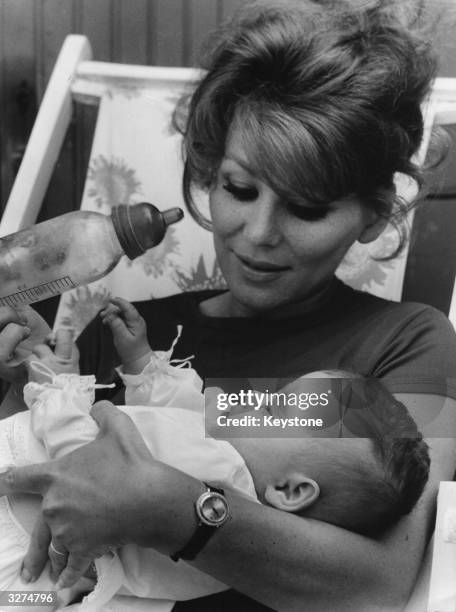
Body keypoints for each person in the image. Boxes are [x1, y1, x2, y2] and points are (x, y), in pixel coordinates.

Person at [0, 1, 456, 610]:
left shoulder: (405, 343)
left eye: (309, 208)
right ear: (210, 175)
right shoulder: (124, 330)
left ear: (372, 215)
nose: (258, 232)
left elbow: (379, 583)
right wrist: (15, 376)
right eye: (239, 189)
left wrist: (175, 509)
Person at [0, 299, 430, 611]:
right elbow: (177, 416)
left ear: (289, 489)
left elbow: (92, 472)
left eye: (272, 408)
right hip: (38, 559)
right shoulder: (224, 469)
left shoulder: (222, 474)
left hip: (19, 540)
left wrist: (57, 388)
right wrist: (142, 363)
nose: (253, 401)